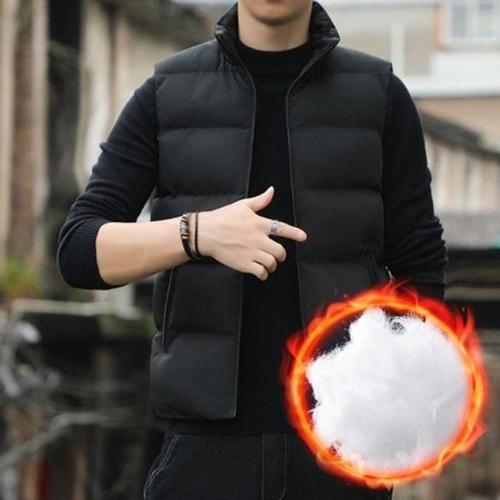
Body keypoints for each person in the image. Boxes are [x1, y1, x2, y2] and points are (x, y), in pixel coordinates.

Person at [56, 0, 448, 498]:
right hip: (205, 452)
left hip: (341, 449)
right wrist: (197, 234)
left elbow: (420, 267)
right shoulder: (168, 93)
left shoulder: (379, 95)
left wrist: (389, 404)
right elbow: (79, 250)